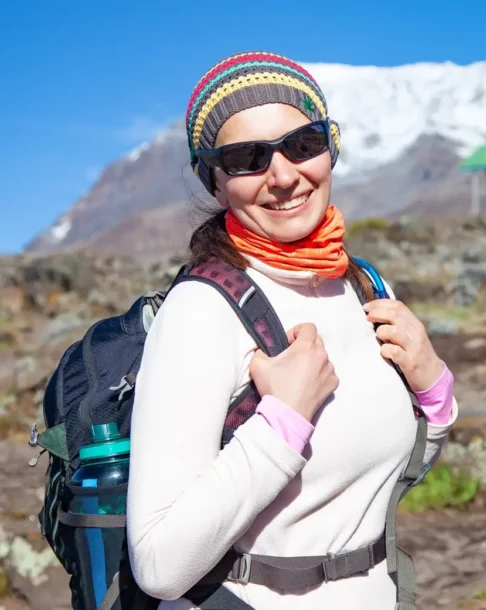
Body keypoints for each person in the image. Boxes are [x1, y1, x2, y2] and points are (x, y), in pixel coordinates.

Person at [125, 52, 458, 609]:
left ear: (331, 148)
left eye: (303, 144)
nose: (283, 176)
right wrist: (282, 424)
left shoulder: (365, 287)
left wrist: (433, 393)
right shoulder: (201, 311)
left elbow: (374, 479)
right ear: (215, 182)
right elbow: (159, 566)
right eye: (247, 158)